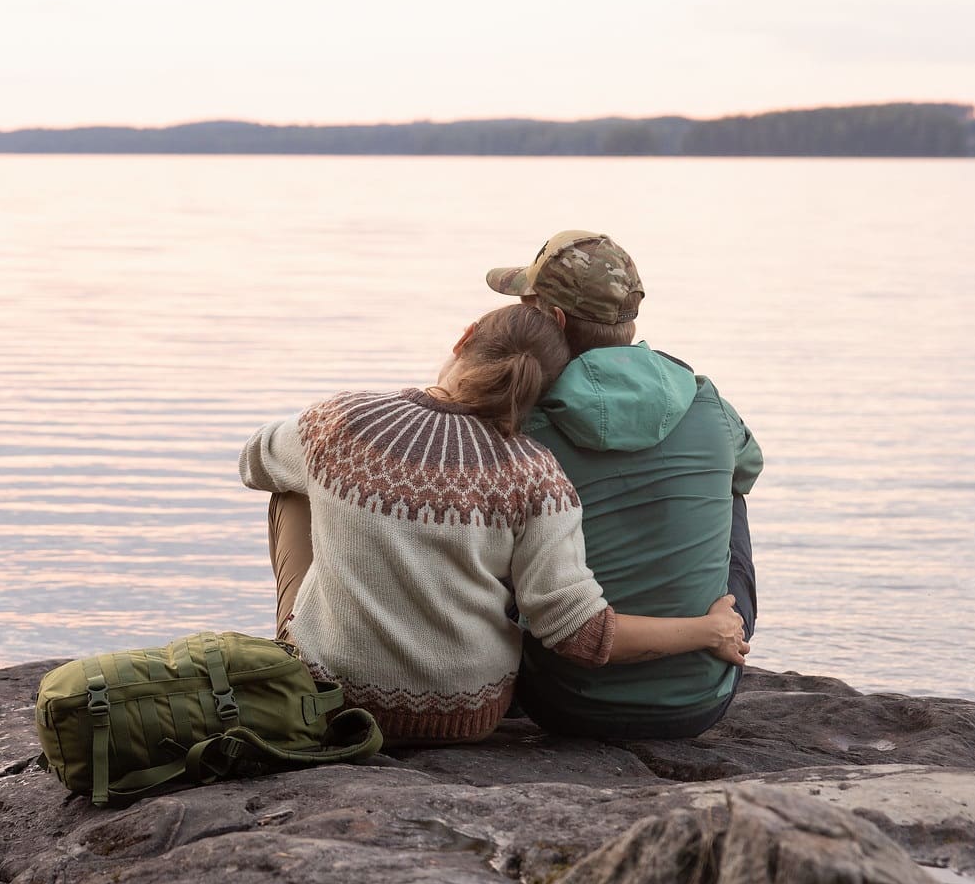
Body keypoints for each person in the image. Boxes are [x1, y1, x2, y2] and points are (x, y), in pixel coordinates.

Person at [239, 303, 747, 746]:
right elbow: (578, 632)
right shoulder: (536, 471)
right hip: (467, 713)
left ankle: (305, 648)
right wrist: (707, 630)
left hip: (336, 698)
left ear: (464, 338)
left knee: (293, 485)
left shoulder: (343, 418)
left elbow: (253, 462)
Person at [486, 230, 761, 739]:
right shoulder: (706, 402)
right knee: (729, 487)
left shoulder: (521, 429)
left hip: (565, 702)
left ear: (555, 321)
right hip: (702, 700)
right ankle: (717, 631)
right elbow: (749, 468)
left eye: (528, 307)